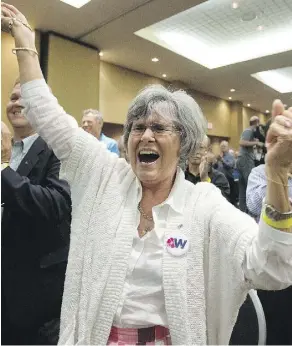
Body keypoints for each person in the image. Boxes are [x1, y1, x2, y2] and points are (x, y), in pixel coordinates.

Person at [2, 5, 292, 345]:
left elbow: (272, 267)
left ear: (182, 140)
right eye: (137, 127)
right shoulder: (103, 176)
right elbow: (49, 116)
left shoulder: (204, 206)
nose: (145, 136)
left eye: (158, 127)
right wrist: (24, 38)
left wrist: (275, 174)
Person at [1, 79, 71, 345]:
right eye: (12, 96)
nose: (16, 103)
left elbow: (56, 204)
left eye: (23, 97)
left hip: (37, 298)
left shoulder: (59, 149)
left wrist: (3, 168)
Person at [246, 161, 292, 345]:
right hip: (272, 261)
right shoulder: (259, 173)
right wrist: (277, 175)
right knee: (275, 329)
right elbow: (254, 205)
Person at [237, 116, 265, 212]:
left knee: (242, 188)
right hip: (246, 160)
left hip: (241, 160)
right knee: (250, 186)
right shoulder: (249, 131)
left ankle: (242, 210)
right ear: (256, 123)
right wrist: (256, 143)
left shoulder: (247, 131)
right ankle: (250, 212)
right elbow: (241, 142)